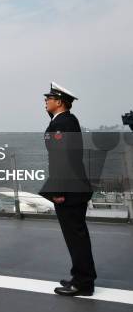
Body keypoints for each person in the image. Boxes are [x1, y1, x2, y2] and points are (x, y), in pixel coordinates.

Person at [39, 82, 96, 296]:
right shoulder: (64, 121)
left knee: (76, 237)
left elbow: (63, 159)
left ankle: (84, 283)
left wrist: (59, 190)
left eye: (49, 98)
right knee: (75, 236)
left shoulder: (64, 123)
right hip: (72, 188)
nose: (45, 101)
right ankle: (80, 277)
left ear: (60, 102)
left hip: (69, 190)